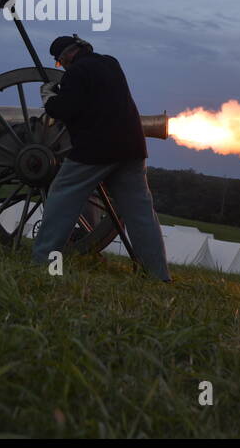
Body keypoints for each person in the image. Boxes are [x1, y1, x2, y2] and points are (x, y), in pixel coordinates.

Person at [30, 35, 171, 281]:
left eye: (60, 63)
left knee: (60, 200)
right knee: (141, 214)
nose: (62, 67)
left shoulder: (77, 72)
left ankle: (43, 262)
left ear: (66, 56)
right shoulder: (111, 63)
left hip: (95, 150)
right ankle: (159, 275)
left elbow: (63, 110)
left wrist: (49, 98)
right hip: (132, 148)